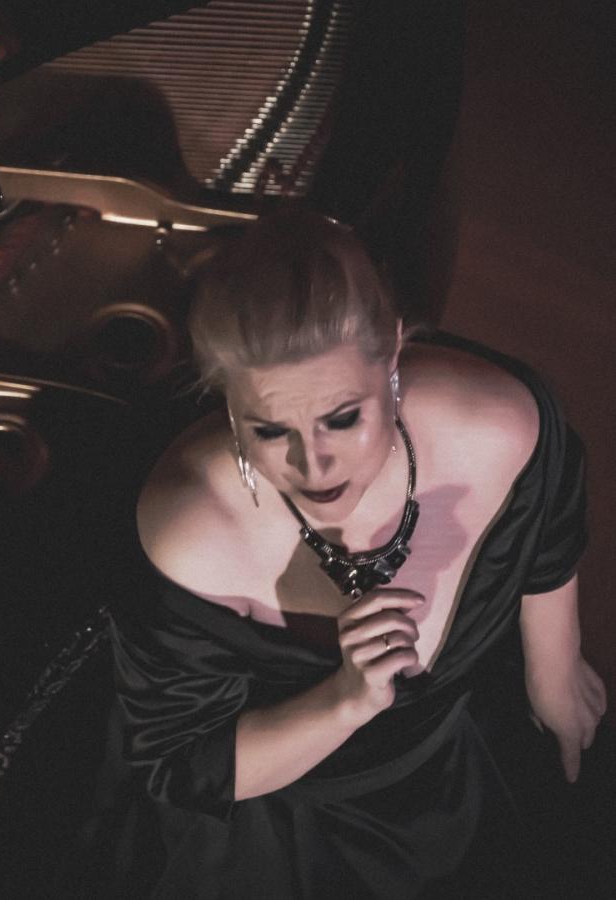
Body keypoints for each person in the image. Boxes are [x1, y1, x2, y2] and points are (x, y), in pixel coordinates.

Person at [96, 207, 607, 899]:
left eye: (342, 418)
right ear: (226, 400)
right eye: (269, 430)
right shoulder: (193, 529)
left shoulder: (498, 422)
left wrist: (554, 667)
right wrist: (346, 700)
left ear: (393, 353)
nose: (313, 465)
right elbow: (183, 766)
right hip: (298, 817)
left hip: (469, 739)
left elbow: (549, 521)